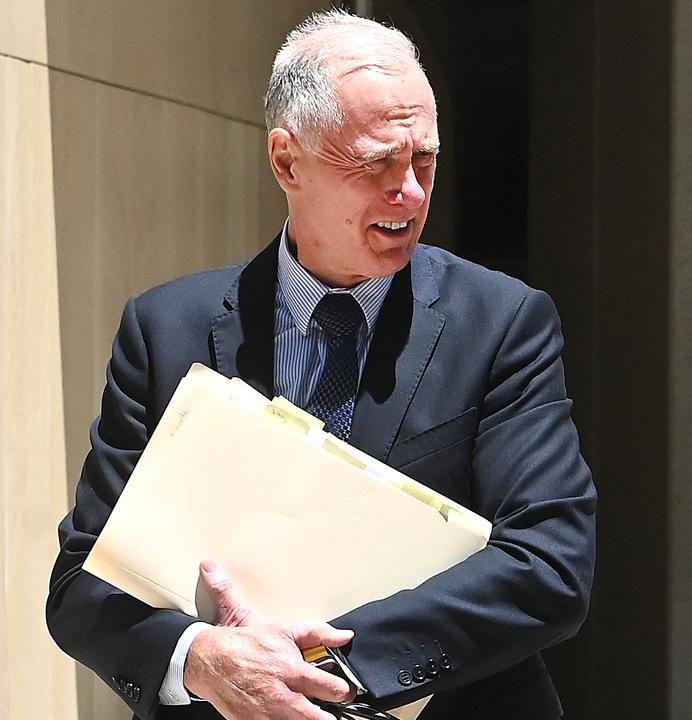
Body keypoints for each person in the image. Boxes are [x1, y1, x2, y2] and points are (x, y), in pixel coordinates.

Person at [46, 10, 595, 720]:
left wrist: (312, 670)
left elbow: (550, 566)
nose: (412, 191)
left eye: (424, 158)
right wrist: (204, 660)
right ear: (286, 160)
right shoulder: (163, 330)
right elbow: (83, 583)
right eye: (377, 164)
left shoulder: (504, 324)